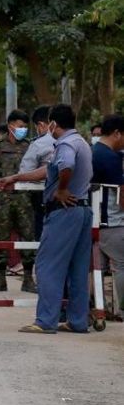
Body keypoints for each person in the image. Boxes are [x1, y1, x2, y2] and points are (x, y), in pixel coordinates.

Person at [0, 105, 93, 334]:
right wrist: (18, 176)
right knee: (77, 269)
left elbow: (66, 166)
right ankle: (78, 321)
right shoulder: (81, 142)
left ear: (52, 123)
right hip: (82, 211)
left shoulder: (65, 144)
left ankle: (46, 321)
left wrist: (61, 189)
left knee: (47, 266)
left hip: (64, 211)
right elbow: (48, 170)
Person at [0, 109, 37, 294]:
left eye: (25, 126)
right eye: (20, 126)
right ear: (11, 126)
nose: (23, 130)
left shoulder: (29, 145)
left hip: (25, 199)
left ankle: (29, 278)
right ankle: (0, 279)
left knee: (28, 237)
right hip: (2, 200)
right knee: (1, 238)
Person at [92, 115, 124, 319]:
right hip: (112, 221)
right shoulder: (110, 158)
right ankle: (121, 309)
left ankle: (98, 308)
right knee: (121, 265)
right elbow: (121, 195)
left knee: (96, 268)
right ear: (117, 133)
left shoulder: (94, 152)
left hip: (96, 220)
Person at [19, 106, 54, 243]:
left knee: (43, 239)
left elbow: (25, 172)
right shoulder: (77, 141)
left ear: (41, 125)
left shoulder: (38, 144)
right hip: (73, 200)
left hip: (43, 199)